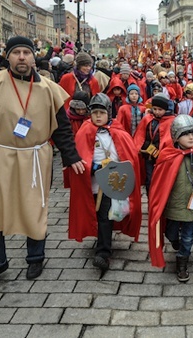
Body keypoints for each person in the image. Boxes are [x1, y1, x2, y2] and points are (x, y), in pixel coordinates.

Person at [0, 36, 84, 292]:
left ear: (33, 57)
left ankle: (35, 258)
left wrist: (71, 157)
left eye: (26, 52)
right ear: (8, 57)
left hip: (34, 157)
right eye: (16, 52)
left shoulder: (48, 89)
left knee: (34, 208)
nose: (21, 57)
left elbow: (62, 129)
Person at [68, 93, 142, 271]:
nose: (98, 116)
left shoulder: (118, 131)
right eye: (95, 113)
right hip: (91, 183)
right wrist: (91, 167)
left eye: (102, 112)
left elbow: (128, 156)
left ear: (109, 112)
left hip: (111, 183)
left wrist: (114, 167)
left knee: (105, 215)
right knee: (93, 212)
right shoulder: (84, 131)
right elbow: (80, 155)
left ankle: (103, 252)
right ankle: (101, 240)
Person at [148, 114, 193, 282]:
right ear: (176, 136)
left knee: (188, 235)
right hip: (173, 204)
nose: (191, 137)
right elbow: (159, 182)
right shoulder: (167, 155)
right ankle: (175, 242)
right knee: (171, 231)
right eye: (186, 133)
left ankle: (182, 261)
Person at [135, 94, 175, 192]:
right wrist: (142, 147)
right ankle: (150, 197)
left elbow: (169, 140)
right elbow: (140, 135)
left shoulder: (171, 121)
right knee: (149, 179)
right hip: (148, 154)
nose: (157, 112)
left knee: (161, 180)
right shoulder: (148, 118)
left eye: (160, 110)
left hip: (162, 156)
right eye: (155, 109)